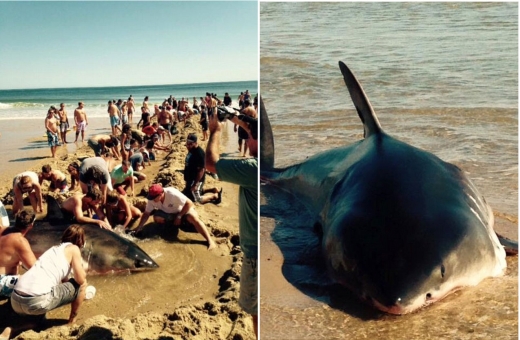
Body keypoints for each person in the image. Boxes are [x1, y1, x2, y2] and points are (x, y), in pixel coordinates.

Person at [205, 111, 258, 338]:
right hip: (265, 248)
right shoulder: (266, 163)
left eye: (248, 136)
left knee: (256, 311)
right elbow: (254, 130)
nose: (245, 139)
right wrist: (238, 121)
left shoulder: (252, 169)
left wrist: (215, 131)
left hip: (255, 254)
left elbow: (211, 163)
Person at [11, 225, 89, 324]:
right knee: (83, 285)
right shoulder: (74, 248)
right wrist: (83, 269)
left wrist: (76, 296)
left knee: (39, 319)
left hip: (15, 300)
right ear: (80, 241)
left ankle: (13, 329)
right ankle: (72, 320)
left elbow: (65, 283)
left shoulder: (54, 249)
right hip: (35, 302)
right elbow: (80, 280)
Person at [133, 184, 217, 250]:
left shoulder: (172, 193)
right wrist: (139, 226)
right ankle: (170, 229)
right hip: (169, 213)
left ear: (161, 194)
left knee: (193, 218)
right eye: (150, 197)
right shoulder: (152, 199)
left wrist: (179, 216)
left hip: (183, 210)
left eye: (154, 198)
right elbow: (147, 213)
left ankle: (210, 241)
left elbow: (189, 203)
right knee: (157, 217)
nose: (152, 200)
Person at [0, 209, 37, 297]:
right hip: (1, 281)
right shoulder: (20, 241)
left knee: (16, 262)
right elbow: (35, 268)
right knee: (37, 281)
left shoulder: (2, 229)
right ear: (31, 225)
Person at [184, 133, 221, 205]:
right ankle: (212, 189)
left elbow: (201, 170)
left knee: (197, 200)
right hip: (190, 178)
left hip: (197, 180)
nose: (188, 146)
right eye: (187, 143)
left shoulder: (200, 154)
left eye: (190, 144)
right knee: (188, 193)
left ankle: (214, 196)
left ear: (195, 143)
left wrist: (195, 184)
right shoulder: (191, 150)